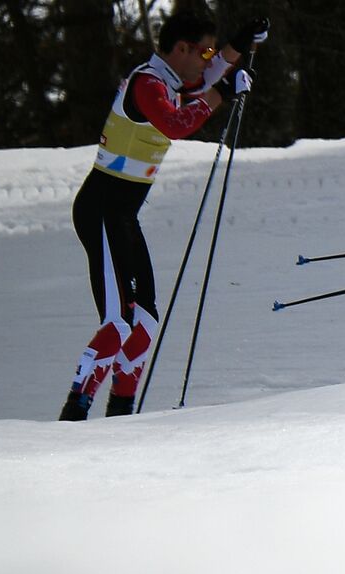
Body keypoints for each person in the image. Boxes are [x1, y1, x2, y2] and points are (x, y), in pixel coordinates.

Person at [57, 9, 270, 421]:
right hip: (101, 209)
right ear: (181, 49)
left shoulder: (173, 80)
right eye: (204, 50)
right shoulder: (148, 84)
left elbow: (208, 80)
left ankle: (122, 414)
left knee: (145, 322)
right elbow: (175, 123)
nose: (210, 58)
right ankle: (74, 414)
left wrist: (240, 42)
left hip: (122, 214)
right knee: (119, 322)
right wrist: (223, 92)